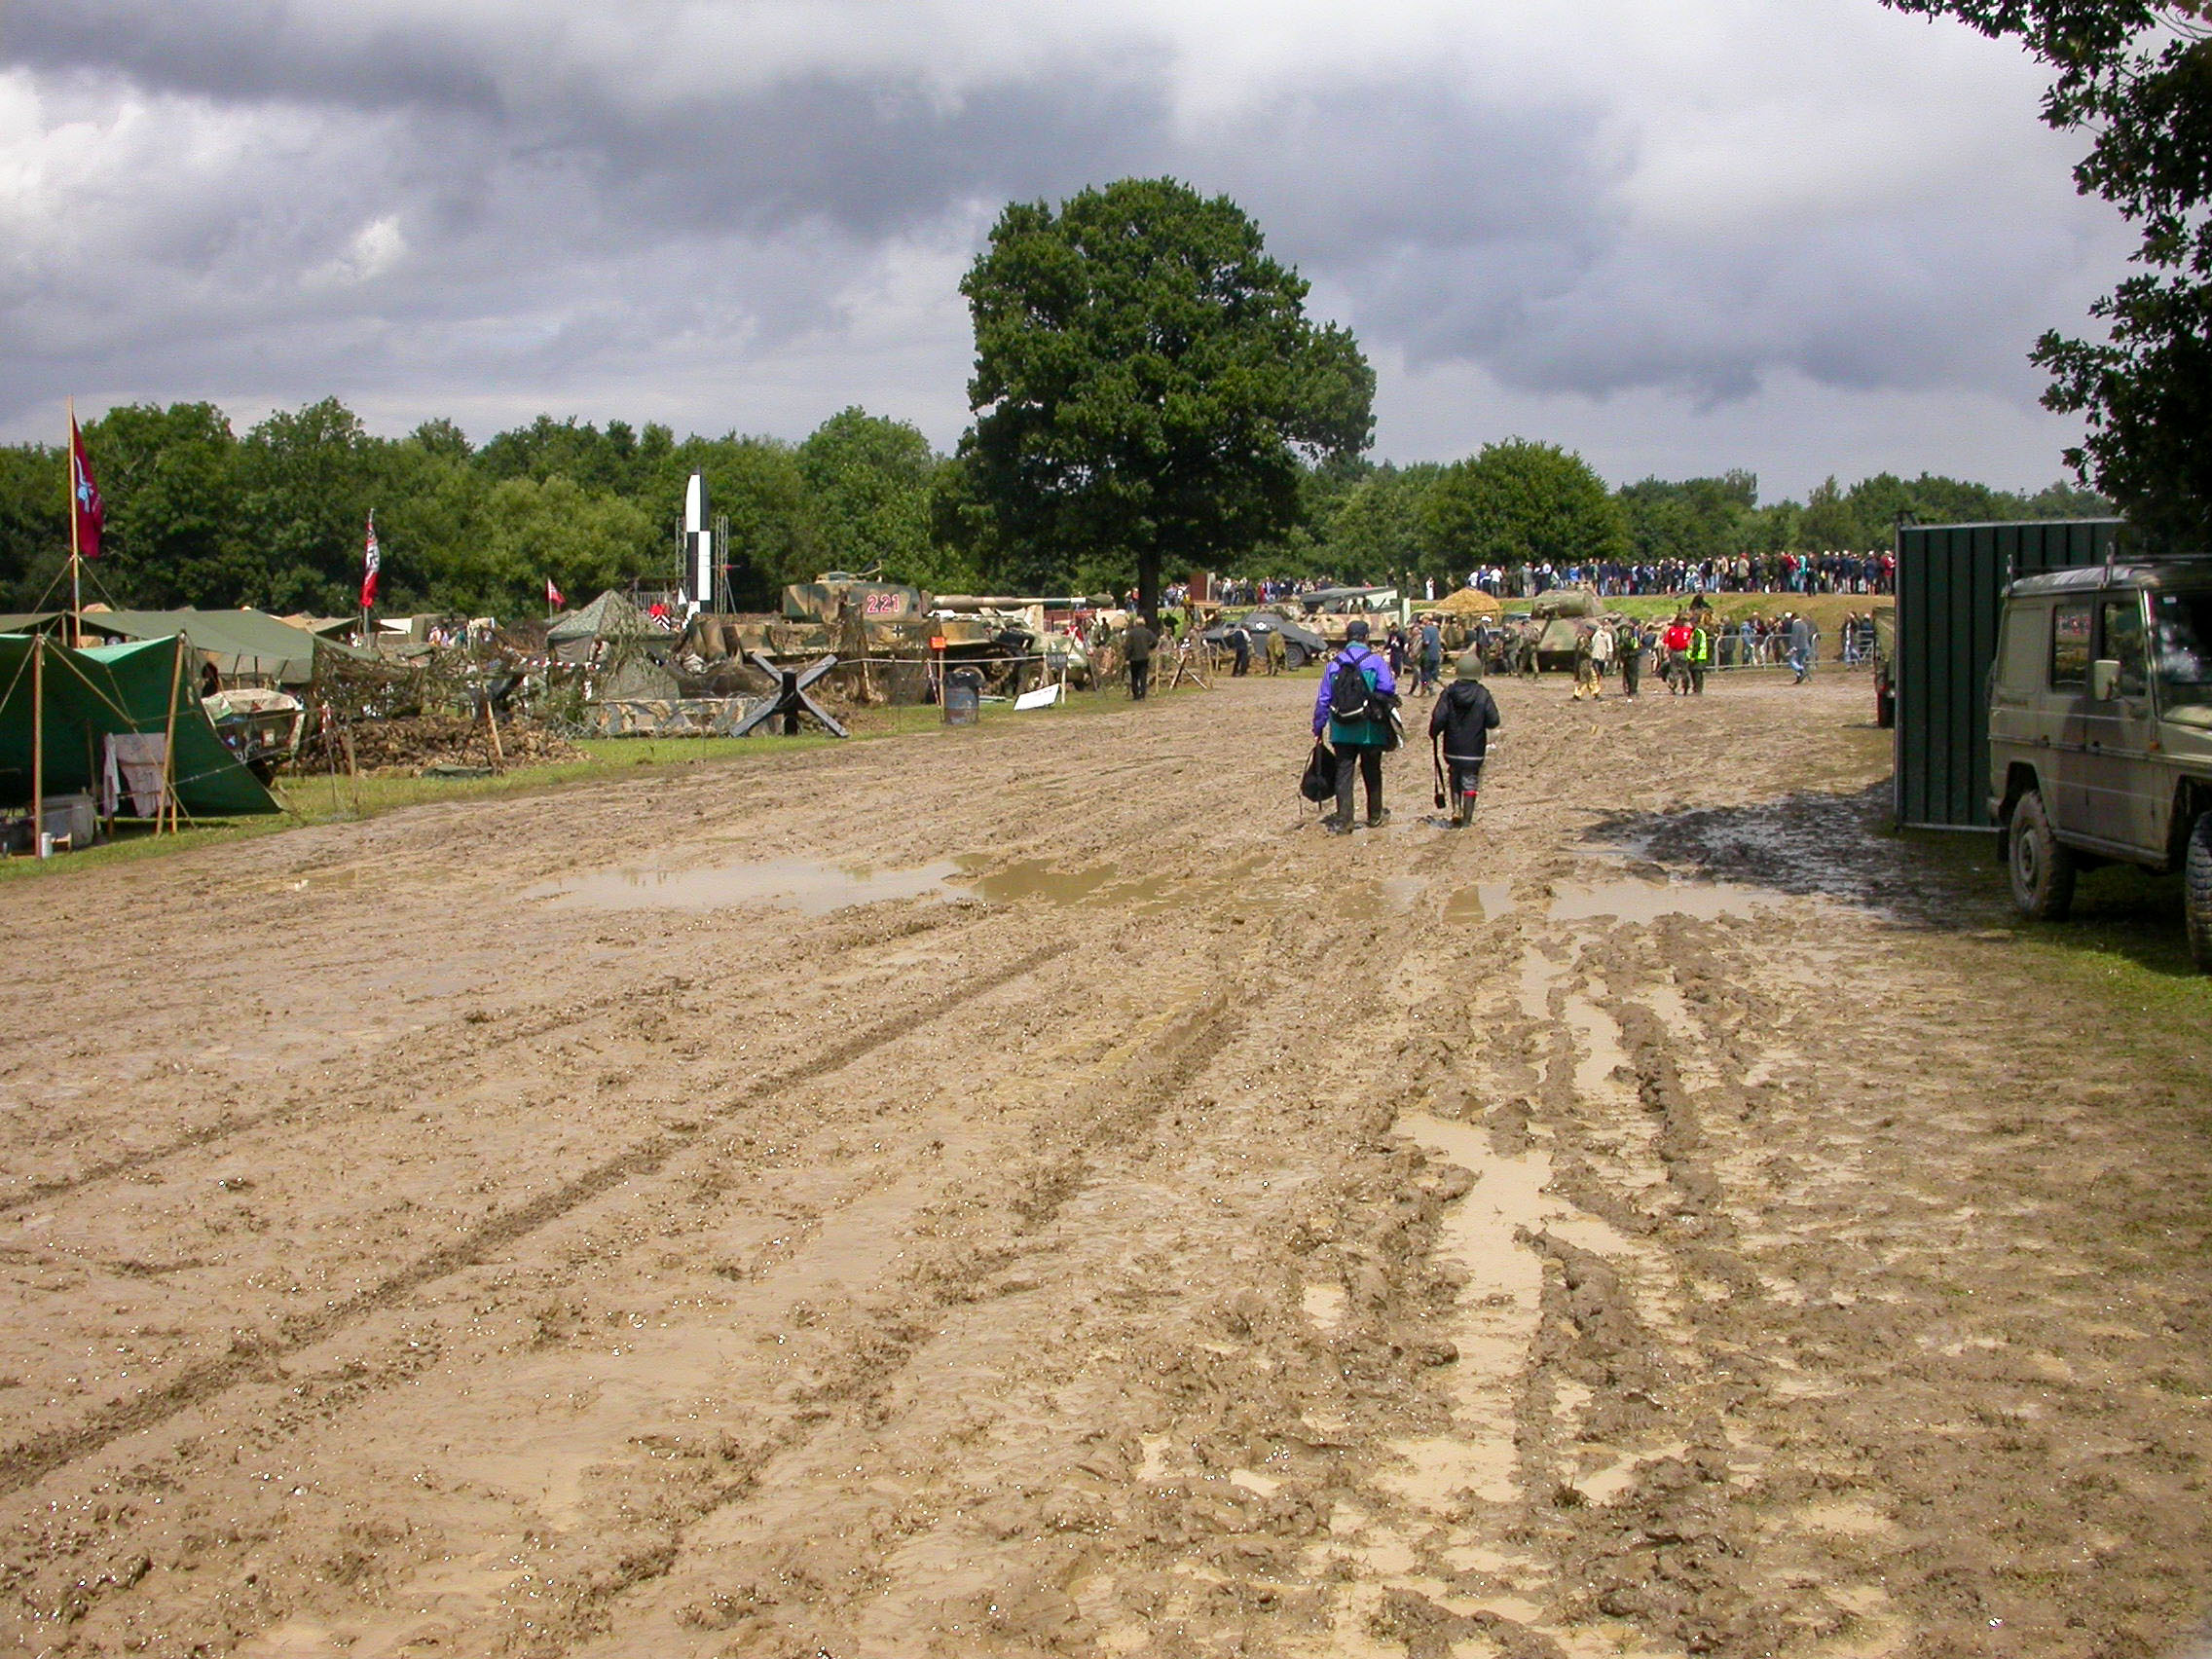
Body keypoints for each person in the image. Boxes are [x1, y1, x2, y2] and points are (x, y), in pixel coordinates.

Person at [1311, 618, 1397, 833]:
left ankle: (1345, 820)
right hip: (1370, 728)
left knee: (1344, 773)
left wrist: (1318, 727)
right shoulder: (1376, 661)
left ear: (1347, 637)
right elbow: (1387, 688)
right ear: (1366, 638)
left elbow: (1323, 699)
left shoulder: (1334, 664)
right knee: (1372, 771)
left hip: (1341, 728)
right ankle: (1375, 815)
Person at [1429, 649, 1501, 827]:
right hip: (1474, 750)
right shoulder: (1483, 694)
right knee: (1470, 781)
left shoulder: (1449, 692)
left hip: (1452, 749)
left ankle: (1456, 809)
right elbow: (1493, 721)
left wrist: (1433, 732)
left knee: (1454, 774)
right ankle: (1467, 821)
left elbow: (1439, 717)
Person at [1124, 614, 1158, 701]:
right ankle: (1142, 694)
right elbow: (1155, 641)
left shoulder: (1131, 633)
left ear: (1135, 623)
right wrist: (1149, 647)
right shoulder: (1147, 632)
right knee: (1143, 676)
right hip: (1144, 656)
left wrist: (1127, 657)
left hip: (1134, 657)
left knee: (1134, 677)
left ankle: (1136, 695)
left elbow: (1128, 646)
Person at [1662, 614, 1693, 695]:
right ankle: (1673, 686)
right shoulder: (1672, 630)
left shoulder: (1687, 630)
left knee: (1685, 671)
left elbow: (1690, 642)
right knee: (1673, 671)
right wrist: (1665, 652)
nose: (1681, 622)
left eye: (1683, 621)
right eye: (1680, 621)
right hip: (1673, 651)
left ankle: (1686, 686)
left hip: (1683, 651)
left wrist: (1690, 654)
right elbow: (1667, 642)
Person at [1418, 615, 1444, 696]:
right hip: (1436, 655)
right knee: (1435, 675)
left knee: (1425, 675)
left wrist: (1420, 643)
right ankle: (1446, 686)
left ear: (1427, 620)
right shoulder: (1436, 629)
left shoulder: (1426, 629)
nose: (1422, 621)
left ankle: (1423, 691)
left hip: (1428, 655)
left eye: (1423, 619)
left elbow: (1426, 642)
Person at [1617, 618, 1644, 697]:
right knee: (1631, 673)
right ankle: (1631, 690)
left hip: (1633, 654)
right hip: (1629, 654)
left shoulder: (1632, 630)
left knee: (1633, 673)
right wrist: (1634, 645)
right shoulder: (1626, 630)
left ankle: (1632, 689)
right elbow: (1625, 641)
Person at [1788, 611, 1816, 683]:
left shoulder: (1796, 625)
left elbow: (1795, 636)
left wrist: (1793, 646)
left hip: (1798, 646)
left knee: (1792, 661)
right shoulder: (1804, 624)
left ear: (1793, 618)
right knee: (1800, 662)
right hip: (1805, 645)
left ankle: (1801, 671)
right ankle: (1799, 677)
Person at [1687, 617, 1712, 694]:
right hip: (1700, 655)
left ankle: (1697, 689)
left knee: (1696, 673)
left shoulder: (1698, 632)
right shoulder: (1699, 631)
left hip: (1698, 656)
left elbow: (1696, 645)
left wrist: (1693, 656)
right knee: (1697, 673)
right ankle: (1697, 688)